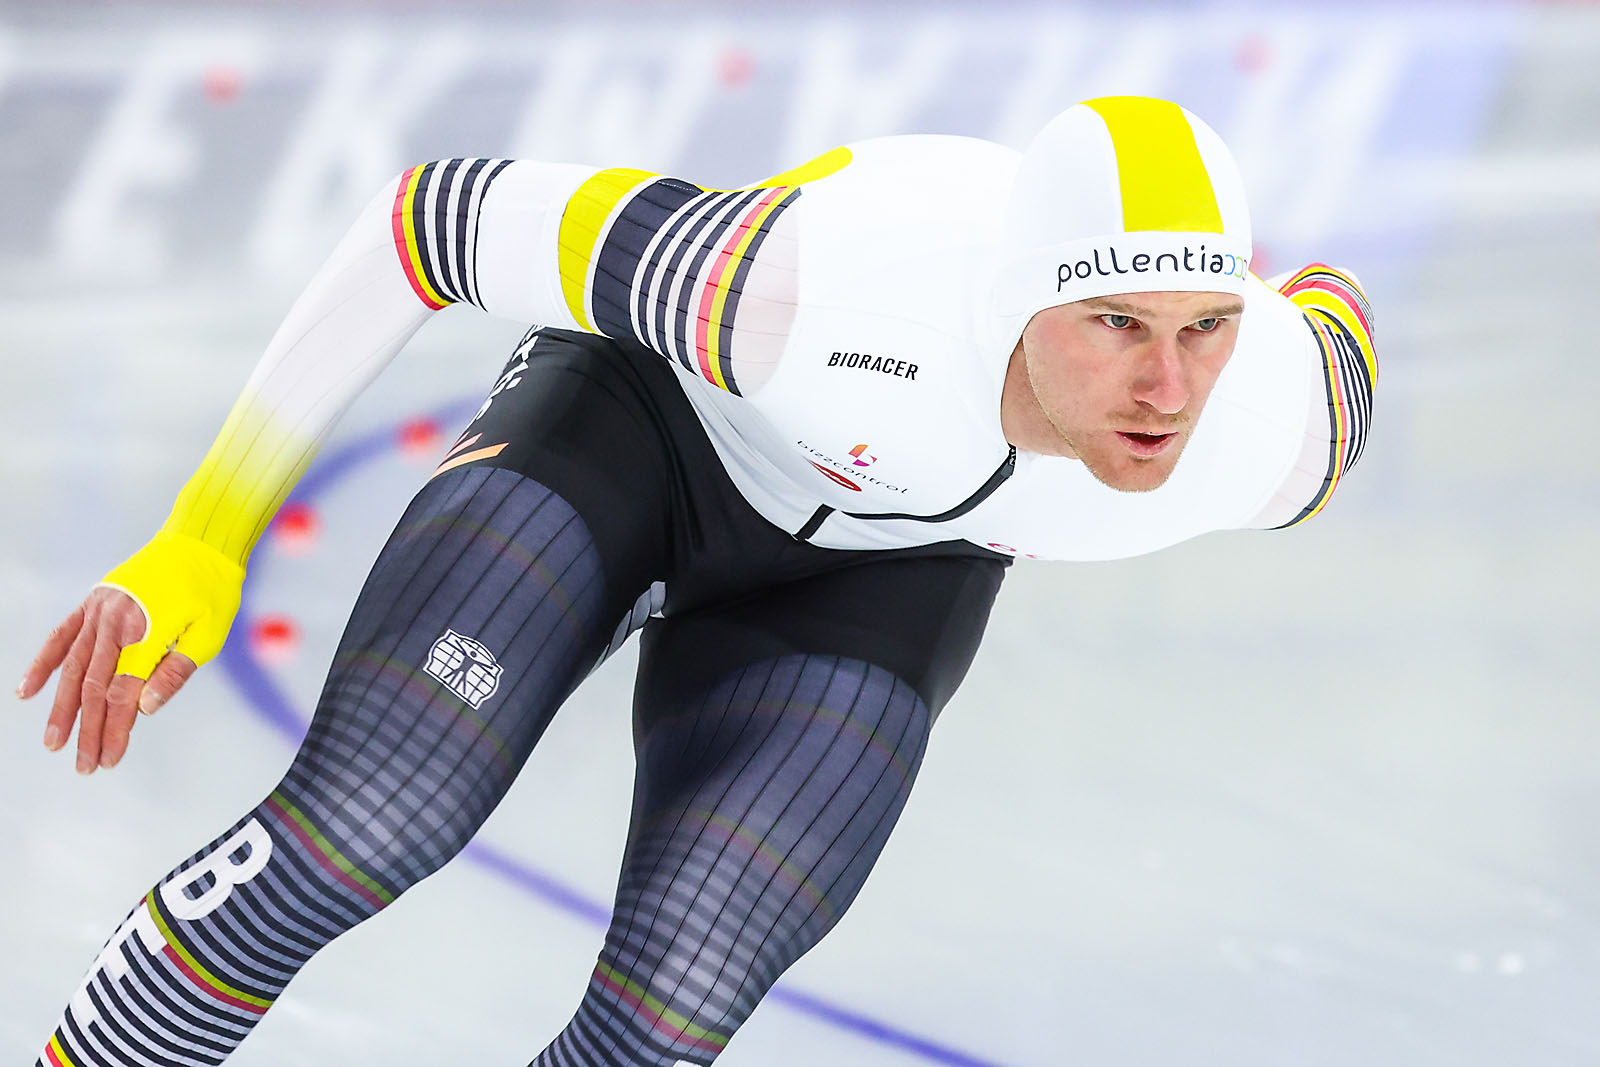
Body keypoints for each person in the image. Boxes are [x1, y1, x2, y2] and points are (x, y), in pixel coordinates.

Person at [20, 95, 1375, 1066]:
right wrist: (206, 529)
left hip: (886, 573)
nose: (1165, 389)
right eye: (1118, 327)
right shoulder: (788, 288)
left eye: (1205, 330)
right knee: (371, 820)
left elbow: (1335, 324)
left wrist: (1252, 316)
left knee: (670, 1013)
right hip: (645, 437)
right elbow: (426, 221)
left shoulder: (1267, 434)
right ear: (1018, 301)